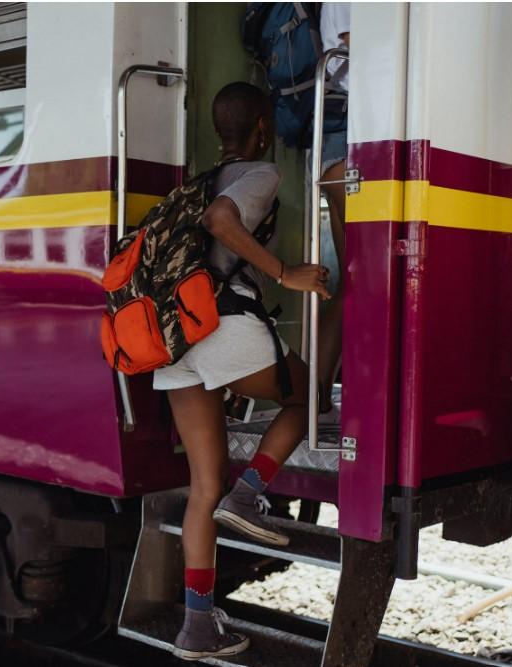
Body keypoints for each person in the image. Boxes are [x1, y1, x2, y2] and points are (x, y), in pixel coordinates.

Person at [155, 82, 331, 660]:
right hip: (222, 328)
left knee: (203, 486)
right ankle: (250, 492)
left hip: (175, 341)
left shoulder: (197, 179)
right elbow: (221, 222)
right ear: (261, 125)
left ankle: (197, 628)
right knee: (308, 399)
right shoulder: (259, 174)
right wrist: (286, 273)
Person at [317, 2, 350, 414]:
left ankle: (319, 392)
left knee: (354, 285)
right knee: (362, 282)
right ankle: (320, 391)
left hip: (339, 144)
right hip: (348, 141)